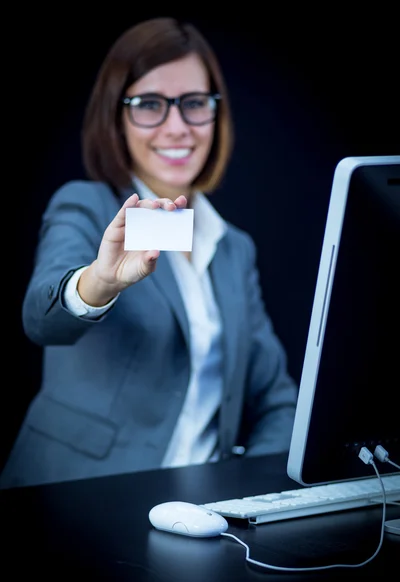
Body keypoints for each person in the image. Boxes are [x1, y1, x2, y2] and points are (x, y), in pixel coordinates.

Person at [0, 17, 298, 489]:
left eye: (194, 104)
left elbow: (276, 400)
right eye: (150, 105)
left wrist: (249, 488)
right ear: (116, 117)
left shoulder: (233, 248)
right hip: (77, 497)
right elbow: (42, 319)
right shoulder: (84, 203)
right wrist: (100, 281)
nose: (176, 127)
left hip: (196, 512)